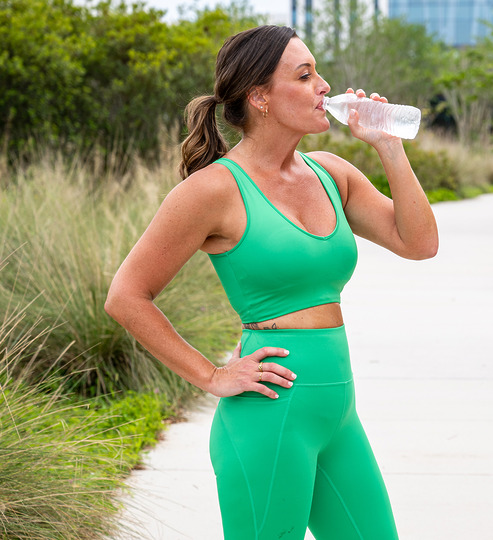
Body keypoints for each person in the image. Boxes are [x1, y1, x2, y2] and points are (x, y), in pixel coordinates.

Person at [105, 24, 438, 540]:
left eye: (318, 72)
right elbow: (126, 296)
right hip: (269, 415)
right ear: (259, 97)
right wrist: (211, 377)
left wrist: (390, 149)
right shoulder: (213, 189)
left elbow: (419, 243)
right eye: (305, 76)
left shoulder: (331, 173)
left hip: (338, 415)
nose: (324, 86)